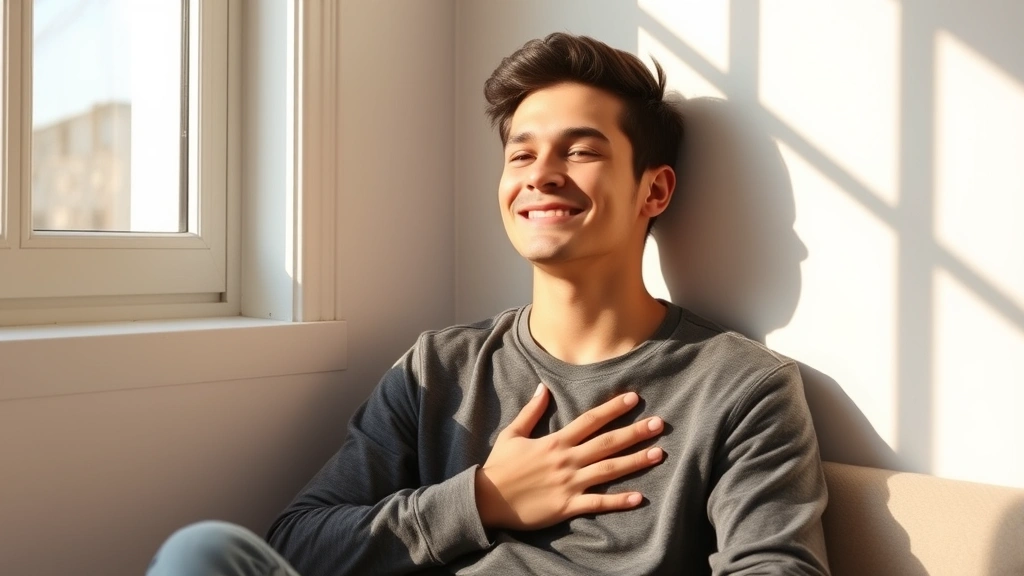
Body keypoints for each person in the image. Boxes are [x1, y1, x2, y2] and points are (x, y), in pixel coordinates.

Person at [148, 32, 831, 576]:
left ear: (653, 192)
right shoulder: (438, 366)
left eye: (580, 151)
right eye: (520, 155)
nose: (540, 174)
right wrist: (480, 499)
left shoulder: (740, 388)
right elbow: (297, 544)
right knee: (204, 552)